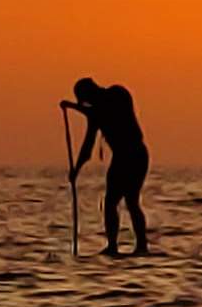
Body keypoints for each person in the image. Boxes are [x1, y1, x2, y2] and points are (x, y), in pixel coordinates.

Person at [61, 77, 149, 256]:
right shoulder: (95, 115)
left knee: (131, 201)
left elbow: (105, 110)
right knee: (110, 203)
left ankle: (141, 246)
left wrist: (75, 107)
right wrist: (76, 171)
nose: (87, 103)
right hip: (119, 158)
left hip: (135, 154)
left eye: (86, 99)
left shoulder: (118, 93)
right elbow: (87, 147)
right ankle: (112, 246)